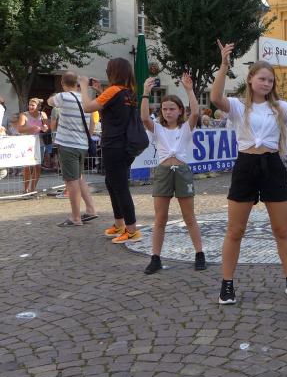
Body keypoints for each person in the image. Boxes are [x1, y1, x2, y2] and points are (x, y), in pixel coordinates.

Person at [210, 40, 287, 305]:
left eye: (270, 80)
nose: (267, 84)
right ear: (251, 79)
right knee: (235, 230)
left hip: (272, 166)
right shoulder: (237, 106)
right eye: (262, 79)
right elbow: (215, 98)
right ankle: (227, 283)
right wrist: (223, 66)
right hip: (245, 166)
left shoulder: (279, 106)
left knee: (282, 230)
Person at [140, 73, 206, 275]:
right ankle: (155, 258)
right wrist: (145, 93)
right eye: (164, 109)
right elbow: (144, 118)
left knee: (189, 217)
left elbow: (195, 112)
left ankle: (199, 254)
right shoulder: (157, 128)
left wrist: (189, 90)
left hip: (182, 171)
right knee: (160, 218)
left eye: (172, 109)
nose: (168, 112)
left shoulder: (186, 127)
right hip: (163, 172)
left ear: (179, 111)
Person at [79, 59, 142, 244]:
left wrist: (84, 87)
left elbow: (88, 107)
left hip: (114, 145)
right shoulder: (128, 92)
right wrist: (100, 91)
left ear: (114, 72)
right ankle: (119, 224)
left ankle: (132, 230)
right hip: (125, 145)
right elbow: (115, 111)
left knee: (120, 187)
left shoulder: (114, 90)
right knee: (112, 183)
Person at [47, 72, 98, 226]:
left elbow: (50, 101)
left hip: (68, 145)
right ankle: (91, 209)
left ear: (62, 83)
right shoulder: (85, 99)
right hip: (82, 145)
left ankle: (75, 217)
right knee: (79, 177)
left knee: (71, 181)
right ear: (76, 83)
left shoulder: (62, 97)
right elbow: (92, 123)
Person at [17, 98, 49, 193]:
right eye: (29, 105)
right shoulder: (24, 115)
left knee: (37, 167)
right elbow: (20, 129)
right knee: (27, 167)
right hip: (27, 143)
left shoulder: (42, 115)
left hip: (39, 143)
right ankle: (25, 189)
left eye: (33, 105)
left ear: (38, 107)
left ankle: (32, 189)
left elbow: (46, 128)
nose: (30, 107)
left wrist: (45, 128)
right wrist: (31, 128)